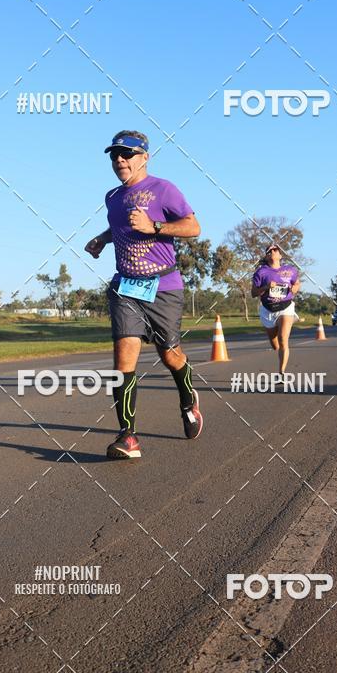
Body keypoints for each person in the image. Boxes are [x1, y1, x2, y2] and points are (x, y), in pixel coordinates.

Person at [84, 130, 202, 460]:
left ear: (144, 157)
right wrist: (102, 239)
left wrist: (155, 227)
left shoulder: (164, 189)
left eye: (127, 153)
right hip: (126, 287)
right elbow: (119, 227)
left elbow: (193, 227)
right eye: (114, 155)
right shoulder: (112, 197)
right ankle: (128, 436)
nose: (120, 159)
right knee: (123, 358)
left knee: (170, 355)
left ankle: (188, 398)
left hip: (164, 286)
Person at [251, 244, 300, 375]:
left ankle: (281, 372)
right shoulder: (261, 272)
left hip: (285, 307)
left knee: (283, 339)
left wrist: (294, 288)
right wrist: (266, 287)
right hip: (268, 310)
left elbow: (296, 283)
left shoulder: (291, 270)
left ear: (280, 255)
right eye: (270, 250)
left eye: (275, 250)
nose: (273, 251)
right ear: (267, 256)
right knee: (275, 345)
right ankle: (279, 347)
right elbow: (253, 293)